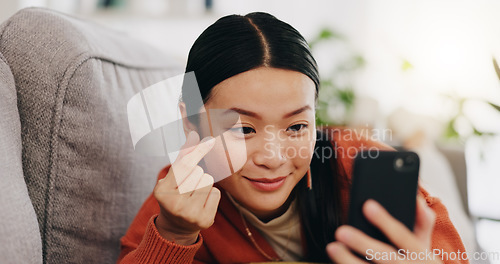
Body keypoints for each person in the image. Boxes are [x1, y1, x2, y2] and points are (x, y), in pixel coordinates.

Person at [118, 12, 467, 263]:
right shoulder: (181, 198)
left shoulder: (360, 165)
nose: (272, 157)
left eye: (297, 127)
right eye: (243, 129)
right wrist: (175, 235)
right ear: (191, 121)